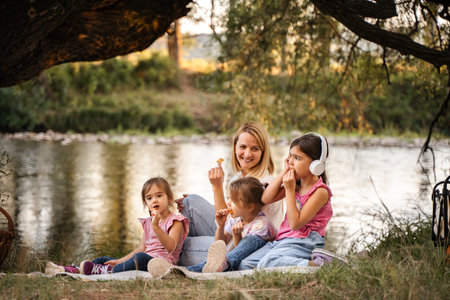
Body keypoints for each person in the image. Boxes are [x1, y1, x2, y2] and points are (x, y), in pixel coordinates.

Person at [176, 122, 285, 266]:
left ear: (263, 152)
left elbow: (233, 227)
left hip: (241, 246)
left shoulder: (263, 185)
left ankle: (177, 260)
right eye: (243, 147)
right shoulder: (238, 178)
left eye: (255, 148)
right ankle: (174, 255)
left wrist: (217, 187)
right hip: (228, 233)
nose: (247, 154)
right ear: (234, 148)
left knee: (183, 245)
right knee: (190, 202)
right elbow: (230, 214)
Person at [237, 132, 345, 270]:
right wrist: (284, 171)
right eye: (290, 157)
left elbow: (295, 224)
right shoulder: (296, 184)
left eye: (297, 158)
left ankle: (321, 264)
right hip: (283, 240)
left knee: (267, 263)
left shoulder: (320, 192)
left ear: (315, 164)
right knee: (244, 264)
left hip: (305, 242)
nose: (291, 162)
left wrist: (289, 190)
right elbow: (265, 198)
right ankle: (291, 260)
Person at [45, 177, 189, 275]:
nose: (154, 200)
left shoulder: (175, 221)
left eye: (159, 196)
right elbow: (141, 248)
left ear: (169, 198)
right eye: (149, 198)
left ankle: (106, 271)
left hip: (159, 264)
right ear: (146, 203)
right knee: (105, 259)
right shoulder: (148, 222)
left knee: (140, 258)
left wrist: (156, 227)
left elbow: (171, 247)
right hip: (143, 256)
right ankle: (72, 269)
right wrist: (119, 261)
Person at [147, 177, 277, 277]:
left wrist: (236, 235)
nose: (229, 203)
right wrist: (220, 226)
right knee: (219, 257)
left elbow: (241, 252)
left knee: (250, 241)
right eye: (229, 198)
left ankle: (186, 271)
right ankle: (179, 271)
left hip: (252, 254)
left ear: (250, 206)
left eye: (234, 201)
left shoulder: (261, 225)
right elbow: (219, 245)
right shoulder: (236, 218)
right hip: (232, 257)